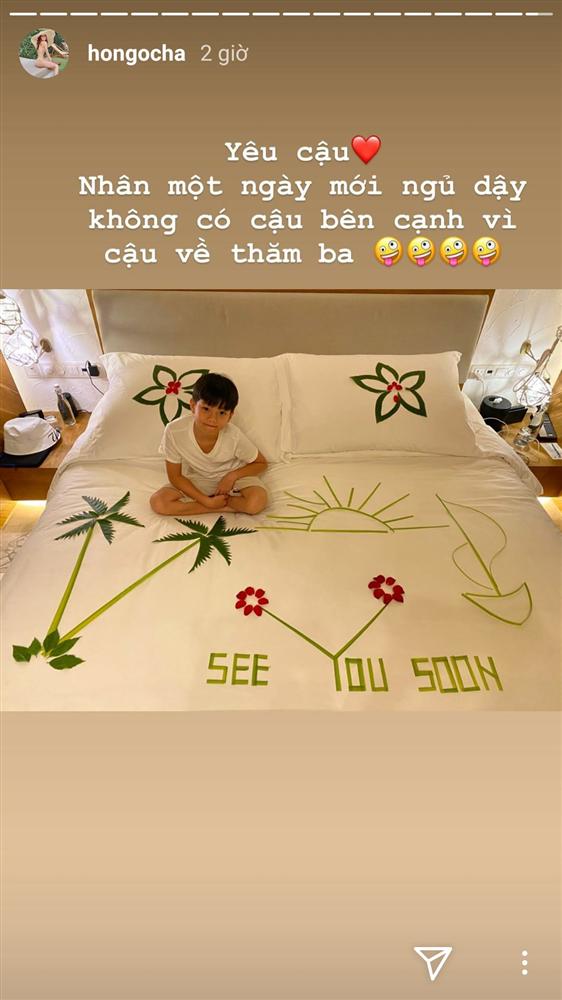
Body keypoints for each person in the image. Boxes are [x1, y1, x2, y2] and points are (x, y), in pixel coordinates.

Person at [150, 372, 268, 517]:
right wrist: (206, 501)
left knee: (257, 501)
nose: (213, 419)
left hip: (234, 479)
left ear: (230, 416)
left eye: (222, 413)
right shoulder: (174, 431)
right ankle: (222, 507)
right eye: (206, 409)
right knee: (158, 502)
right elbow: (175, 477)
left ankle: (225, 501)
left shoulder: (234, 436)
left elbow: (261, 463)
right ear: (193, 406)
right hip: (200, 479)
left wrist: (231, 477)